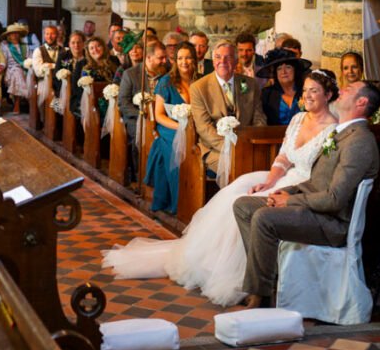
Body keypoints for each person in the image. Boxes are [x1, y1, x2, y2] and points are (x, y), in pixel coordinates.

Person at [103, 71, 341, 306]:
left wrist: (285, 188)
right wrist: (270, 180)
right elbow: (284, 157)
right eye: (306, 90)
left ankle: (245, 275)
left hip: (302, 185)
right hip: (282, 176)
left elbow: (322, 173)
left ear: (328, 95)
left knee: (250, 205)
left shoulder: (334, 129)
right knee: (238, 188)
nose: (307, 95)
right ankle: (211, 263)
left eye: (314, 91)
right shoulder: (298, 119)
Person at [233, 79, 380, 309]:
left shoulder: (358, 141)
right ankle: (268, 279)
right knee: (243, 206)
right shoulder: (343, 133)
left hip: (331, 222)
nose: (341, 90)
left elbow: (334, 199)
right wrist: (286, 190)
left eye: (349, 90)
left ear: (361, 102)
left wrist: (289, 201)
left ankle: (260, 295)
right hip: (313, 207)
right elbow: (315, 181)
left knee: (264, 217)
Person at [189, 40, 267, 175]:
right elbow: (204, 128)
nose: (223, 61)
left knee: (263, 165)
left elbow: (259, 118)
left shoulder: (249, 84)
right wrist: (230, 148)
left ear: (236, 61)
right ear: (213, 61)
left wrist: (253, 143)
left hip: (247, 145)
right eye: (218, 57)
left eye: (229, 57)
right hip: (214, 149)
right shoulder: (199, 88)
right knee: (236, 166)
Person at [145, 42, 198, 214]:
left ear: (195, 60)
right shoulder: (166, 82)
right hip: (170, 128)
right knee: (175, 151)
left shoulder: (201, 81)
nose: (184, 62)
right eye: (180, 58)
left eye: (188, 58)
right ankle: (178, 203)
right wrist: (180, 127)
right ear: (175, 61)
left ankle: (198, 198)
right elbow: (159, 115)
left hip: (197, 128)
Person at [118, 41, 168, 184]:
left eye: (165, 57)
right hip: (136, 118)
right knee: (140, 134)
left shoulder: (166, 73)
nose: (164, 61)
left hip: (161, 116)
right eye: (160, 58)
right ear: (148, 57)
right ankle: (140, 176)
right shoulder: (131, 74)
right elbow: (123, 102)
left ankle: (162, 178)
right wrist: (142, 115)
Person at [258, 49, 312, 125]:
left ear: (295, 70)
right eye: (279, 68)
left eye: (288, 67)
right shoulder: (267, 95)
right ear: (275, 73)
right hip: (274, 136)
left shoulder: (306, 92)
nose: (283, 72)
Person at [1, 23, 30, 108]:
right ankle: (23, 100)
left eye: (16, 33)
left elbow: (29, 58)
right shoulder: (6, 46)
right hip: (11, 69)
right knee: (17, 72)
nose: (14, 35)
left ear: (19, 34)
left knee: (25, 74)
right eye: (12, 33)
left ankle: (26, 101)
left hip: (25, 68)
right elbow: (4, 60)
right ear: (8, 35)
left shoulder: (25, 46)